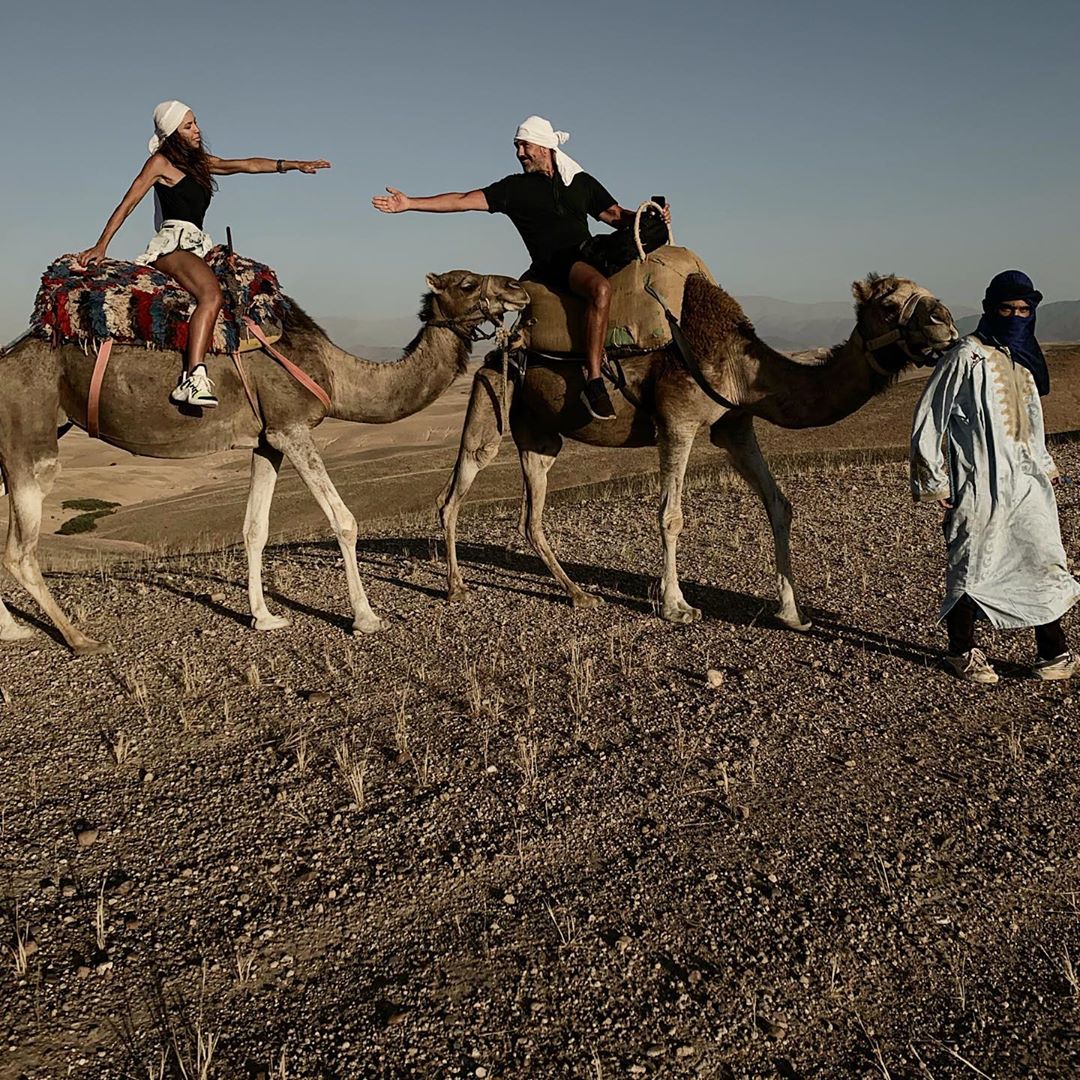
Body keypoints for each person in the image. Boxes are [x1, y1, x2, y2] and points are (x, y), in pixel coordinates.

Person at [372, 115, 671, 422]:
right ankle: (594, 379)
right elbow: (463, 200)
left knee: (651, 233)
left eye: (524, 145)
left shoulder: (578, 181)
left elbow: (614, 214)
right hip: (557, 263)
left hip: (589, 251)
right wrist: (409, 203)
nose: (519, 153)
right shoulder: (514, 188)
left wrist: (650, 217)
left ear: (544, 146)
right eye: (517, 147)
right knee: (600, 288)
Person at [76, 101, 330, 407]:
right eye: (188, 126)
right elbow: (128, 203)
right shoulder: (159, 163)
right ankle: (192, 378)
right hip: (174, 245)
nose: (197, 130)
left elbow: (245, 165)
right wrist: (102, 245)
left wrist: (292, 165)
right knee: (211, 296)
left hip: (199, 245)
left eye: (195, 123)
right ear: (172, 134)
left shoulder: (200, 164)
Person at [910, 269, 1079, 684]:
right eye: (1008, 308)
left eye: (1024, 309)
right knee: (972, 562)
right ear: (991, 309)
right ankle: (961, 652)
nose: (1017, 316)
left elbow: (1033, 423)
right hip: (979, 482)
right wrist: (936, 482)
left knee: (1042, 557)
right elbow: (930, 419)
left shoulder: (1024, 358)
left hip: (1028, 483)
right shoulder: (966, 355)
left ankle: (1053, 653)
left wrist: (1046, 468)